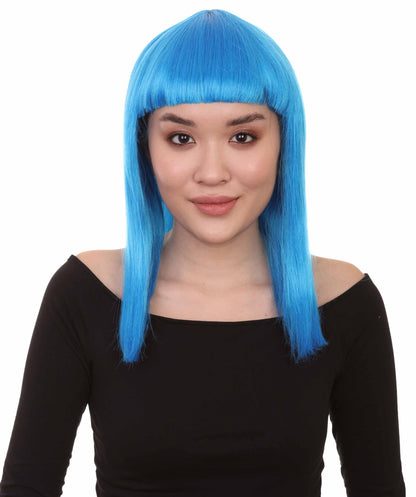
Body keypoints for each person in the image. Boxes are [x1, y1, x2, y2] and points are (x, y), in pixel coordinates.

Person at [0, 9, 406, 497]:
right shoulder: (86, 294)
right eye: (181, 138)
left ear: (284, 143)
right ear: (144, 148)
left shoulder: (344, 301)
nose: (212, 173)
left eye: (242, 137)